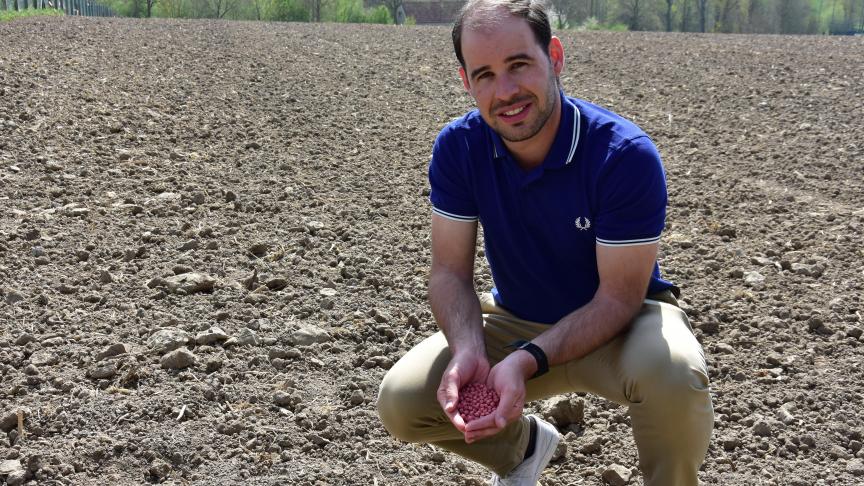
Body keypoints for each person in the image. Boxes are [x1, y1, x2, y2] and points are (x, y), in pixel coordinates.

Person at [377, 0, 714, 484]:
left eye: (519, 65)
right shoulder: (460, 147)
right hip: (518, 320)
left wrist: (528, 360)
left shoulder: (622, 155)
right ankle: (523, 448)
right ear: (465, 82)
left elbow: (618, 296)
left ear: (554, 57)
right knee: (403, 402)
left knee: (674, 374)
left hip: (621, 323)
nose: (506, 91)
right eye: (485, 74)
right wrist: (470, 348)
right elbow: (450, 272)